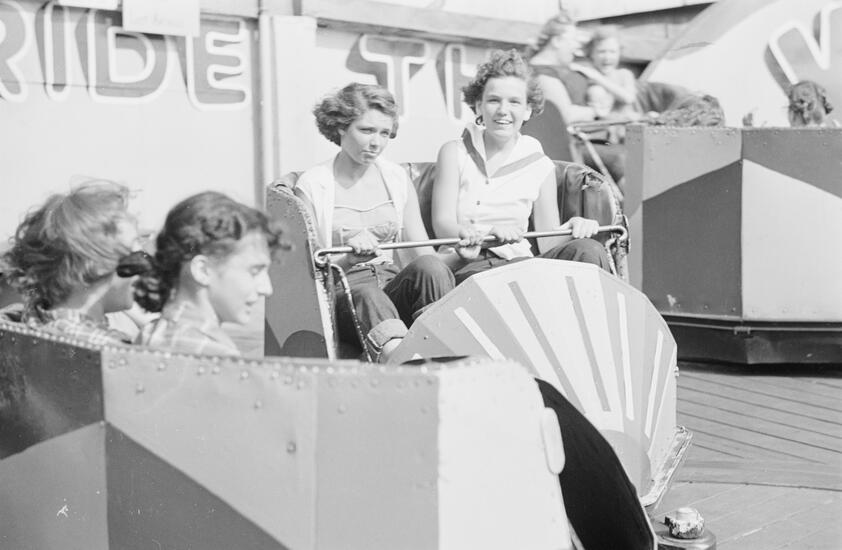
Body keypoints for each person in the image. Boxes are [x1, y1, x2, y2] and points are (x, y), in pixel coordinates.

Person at [294, 83, 456, 362]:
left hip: (390, 286)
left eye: (384, 133)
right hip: (344, 294)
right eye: (366, 130)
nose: (376, 143)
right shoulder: (313, 185)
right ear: (341, 127)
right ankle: (403, 365)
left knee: (429, 267)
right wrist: (348, 259)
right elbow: (310, 275)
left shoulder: (395, 178)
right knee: (369, 295)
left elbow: (423, 253)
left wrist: (460, 255)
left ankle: (448, 350)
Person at [432, 49, 610, 285]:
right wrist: (486, 234)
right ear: (478, 106)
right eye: (494, 100)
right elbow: (442, 224)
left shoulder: (539, 163)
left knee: (588, 249)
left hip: (520, 264)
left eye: (514, 102)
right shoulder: (454, 151)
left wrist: (573, 227)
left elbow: (547, 242)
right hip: (467, 263)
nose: (503, 110)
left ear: (527, 110)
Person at [135, 192, 282, 356]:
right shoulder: (217, 355)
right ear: (203, 270)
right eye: (254, 271)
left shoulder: (149, 333)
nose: (267, 289)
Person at [2, 181, 146, 345]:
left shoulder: (20, 321)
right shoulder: (112, 348)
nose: (146, 268)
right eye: (138, 257)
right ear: (97, 264)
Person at [523, 13, 627, 184]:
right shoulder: (543, 74)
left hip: (593, 138)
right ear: (557, 41)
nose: (576, 47)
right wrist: (596, 110)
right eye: (573, 40)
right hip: (572, 145)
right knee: (625, 159)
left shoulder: (566, 69)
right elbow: (564, 115)